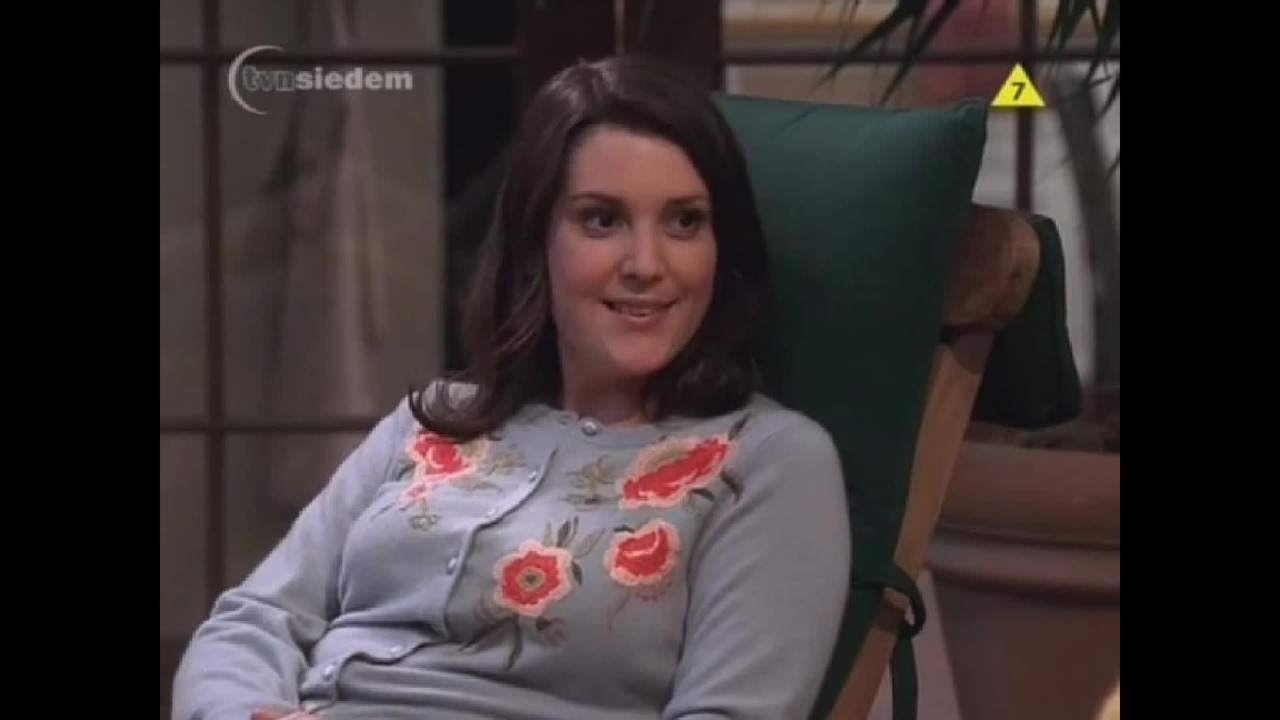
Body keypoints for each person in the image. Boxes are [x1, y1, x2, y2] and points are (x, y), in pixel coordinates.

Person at [171, 54, 852, 720]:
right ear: (535, 245)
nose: (646, 264)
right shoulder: (436, 418)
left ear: (721, 250)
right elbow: (250, 622)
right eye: (602, 220)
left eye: (684, 222)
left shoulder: (770, 461)